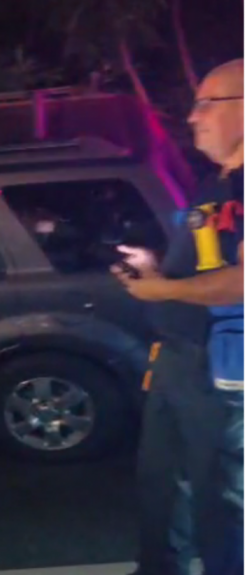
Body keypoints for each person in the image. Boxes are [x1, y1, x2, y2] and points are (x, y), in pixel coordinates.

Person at [114, 59, 245, 575]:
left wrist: (162, 288)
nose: (192, 118)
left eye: (207, 103)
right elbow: (210, 263)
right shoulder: (215, 184)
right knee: (162, 483)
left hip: (224, 374)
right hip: (176, 359)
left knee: (222, 499)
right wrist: (155, 268)